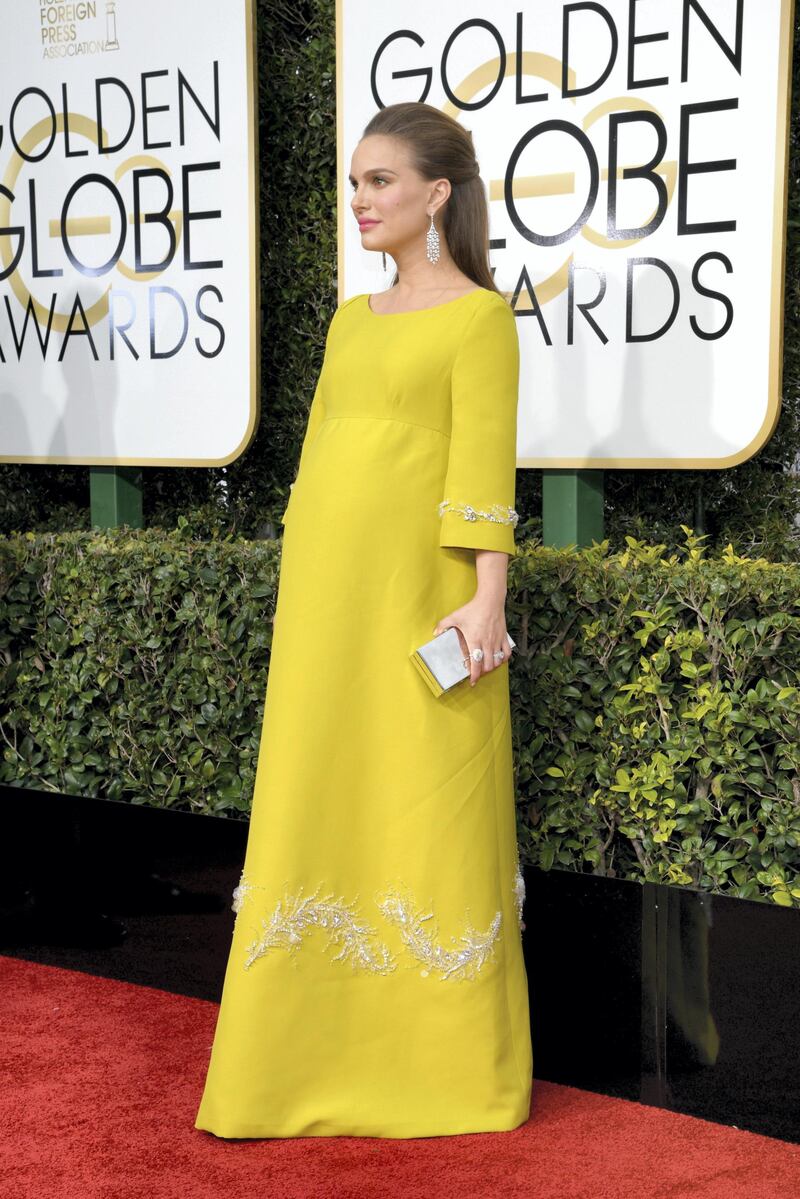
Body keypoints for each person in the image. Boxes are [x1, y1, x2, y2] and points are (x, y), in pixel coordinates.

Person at [194, 100, 533, 1140]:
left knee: (423, 795)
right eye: (353, 183)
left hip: (420, 595)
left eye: (379, 181)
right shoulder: (349, 317)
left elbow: (481, 462)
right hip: (325, 597)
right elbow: (321, 460)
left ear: (436, 192)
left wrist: (485, 594)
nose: (360, 201)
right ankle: (292, 1060)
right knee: (319, 779)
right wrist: (302, 577)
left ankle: (434, 1065)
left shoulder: (480, 318)